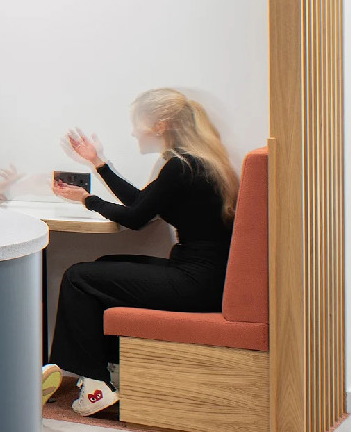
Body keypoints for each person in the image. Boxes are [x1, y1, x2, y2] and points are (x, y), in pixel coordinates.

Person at [41, 88, 239, 415]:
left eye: (137, 124)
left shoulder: (180, 166)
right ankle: (107, 373)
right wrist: (97, 162)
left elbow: (135, 218)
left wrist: (86, 200)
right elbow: (141, 204)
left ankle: (94, 384)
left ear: (160, 126)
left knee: (78, 278)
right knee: (104, 267)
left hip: (196, 283)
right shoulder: (197, 162)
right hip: (207, 277)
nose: (134, 132)